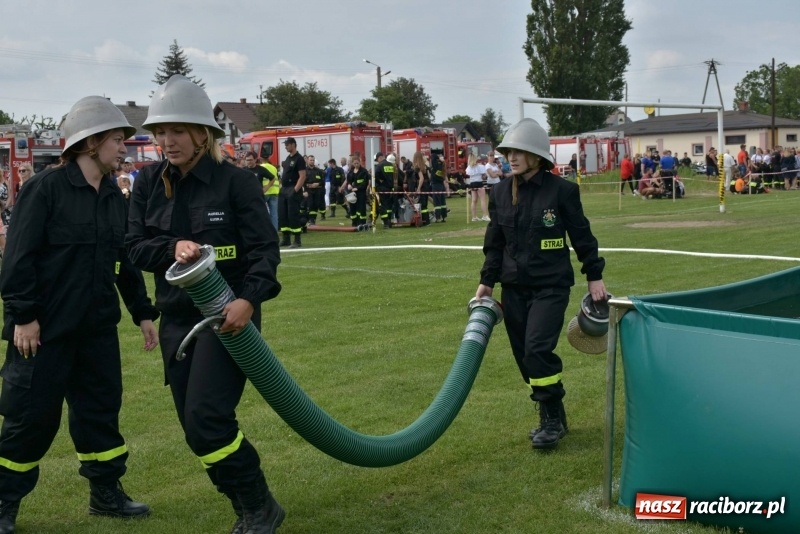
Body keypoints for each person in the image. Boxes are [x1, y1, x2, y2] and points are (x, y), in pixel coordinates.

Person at [125, 75, 284, 534]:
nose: (166, 141)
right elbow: (134, 246)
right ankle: (245, 505)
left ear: (203, 134)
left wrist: (248, 301)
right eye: (160, 132)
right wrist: (173, 246)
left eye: (177, 131)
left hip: (228, 319)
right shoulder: (148, 182)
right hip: (177, 319)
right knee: (196, 429)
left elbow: (264, 252)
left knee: (207, 416)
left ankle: (260, 507)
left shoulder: (236, 183)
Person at [0, 96, 160, 533]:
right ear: (90, 143)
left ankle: (106, 496)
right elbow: (17, 259)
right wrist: (24, 316)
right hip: (43, 331)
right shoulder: (45, 189)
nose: (123, 147)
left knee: (100, 415)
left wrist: (143, 312)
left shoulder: (112, 194)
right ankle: (3, 504)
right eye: (116, 139)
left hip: (96, 330)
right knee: (30, 421)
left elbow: (123, 260)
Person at [475, 118, 607, 450]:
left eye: (519, 151)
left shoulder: (562, 191)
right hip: (513, 288)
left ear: (537, 156)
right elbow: (495, 243)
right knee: (524, 356)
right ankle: (555, 414)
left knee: (536, 349)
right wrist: (486, 283)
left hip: (551, 286)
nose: (512, 157)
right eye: (508, 152)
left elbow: (582, 236)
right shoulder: (500, 191)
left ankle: (550, 419)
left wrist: (594, 276)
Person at [278, 137, 306, 248]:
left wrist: (295, 190)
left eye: (287, 144)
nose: (285, 146)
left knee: (293, 215)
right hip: (284, 189)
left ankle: (297, 240)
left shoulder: (299, 159)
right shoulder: (288, 158)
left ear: (293, 145)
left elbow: (302, 176)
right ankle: (286, 239)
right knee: (283, 214)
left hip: (292, 189)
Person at [342, 155, 369, 228]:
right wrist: (349, 185)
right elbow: (348, 180)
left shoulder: (364, 171)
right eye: (355, 163)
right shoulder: (351, 172)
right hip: (352, 193)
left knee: (361, 208)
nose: (356, 165)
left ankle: (362, 222)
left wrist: (357, 188)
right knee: (353, 207)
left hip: (361, 192)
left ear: (360, 162)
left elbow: (365, 182)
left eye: (357, 163)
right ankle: (354, 222)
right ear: (352, 163)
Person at [373, 152, 395, 229]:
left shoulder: (379, 166)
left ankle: (386, 222)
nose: (377, 161)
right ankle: (389, 221)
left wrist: (379, 182)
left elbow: (375, 176)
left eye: (377, 159)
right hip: (390, 189)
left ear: (380, 157)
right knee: (388, 206)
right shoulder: (391, 165)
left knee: (382, 206)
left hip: (382, 189)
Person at [465, 153, 488, 222]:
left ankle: (474, 217)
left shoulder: (468, 168)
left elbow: (468, 175)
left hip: (472, 184)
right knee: (483, 200)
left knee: (474, 201)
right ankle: (485, 215)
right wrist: (484, 176)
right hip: (479, 183)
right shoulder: (480, 166)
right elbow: (484, 176)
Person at [304, 155, 325, 226]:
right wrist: (308, 185)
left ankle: (313, 220)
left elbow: (323, 181)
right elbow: (302, 182)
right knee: (310, 205)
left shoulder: (319, 171)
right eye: (311, 160)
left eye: (313, 160)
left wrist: (318, 183)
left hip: (317, 190)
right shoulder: (304, 171)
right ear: (307, 161)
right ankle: (310, 219)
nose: (312, 161)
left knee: (316, 205)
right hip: (308, 191)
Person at [412, 151, 432, 226]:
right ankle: (426, 220)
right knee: (425, 204)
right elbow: (429, 176)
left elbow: (421, 178)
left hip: (423, 186)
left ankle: (425, 220)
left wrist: (418, 188)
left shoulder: (417, 167)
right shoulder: (425, 166)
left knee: (422, 204)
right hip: (427, 185)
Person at [430, 153, 449, 222]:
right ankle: (444, 216)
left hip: (436, 185)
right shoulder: (442, 165)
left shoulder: (437, 165)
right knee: (442, 201)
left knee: (437, 202)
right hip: (441, 185)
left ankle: (438, 217)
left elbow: (436, 176)